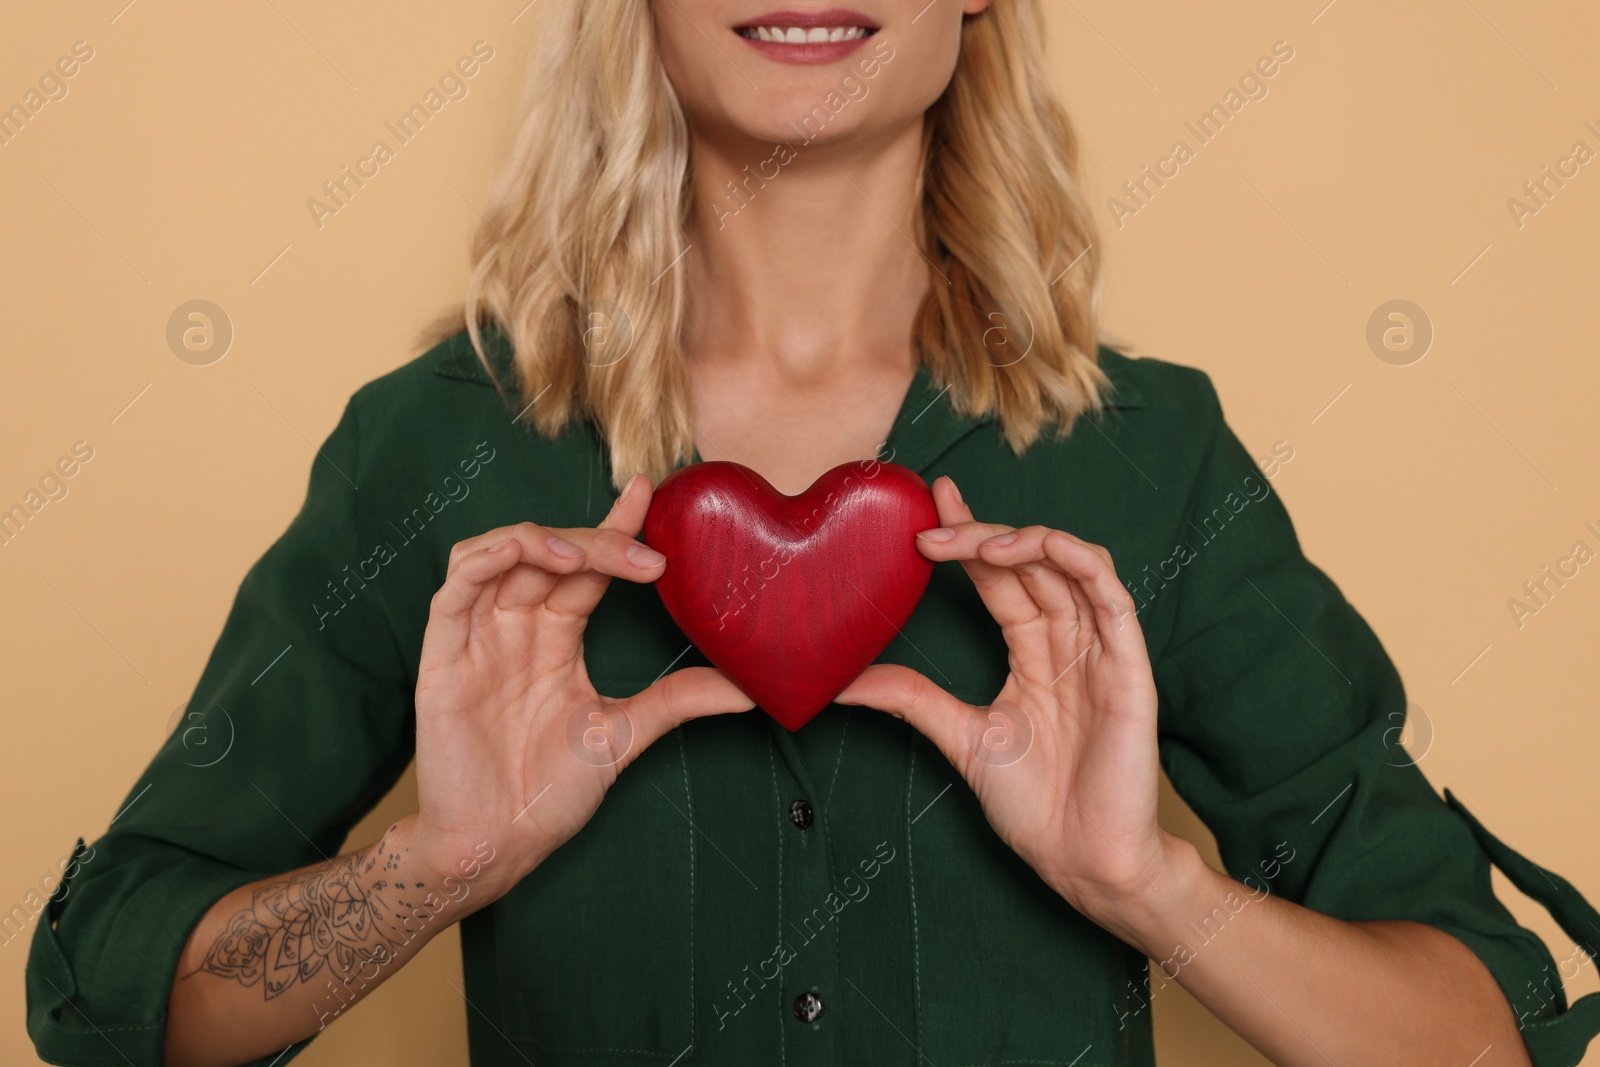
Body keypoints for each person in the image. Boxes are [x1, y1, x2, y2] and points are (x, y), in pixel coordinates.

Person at [25, 1, 1600, 1065]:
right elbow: (112, 1002)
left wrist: (1148, 886)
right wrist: (434, 869)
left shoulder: (1147, 458)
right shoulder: (442, 449)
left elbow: (1476, 1032)